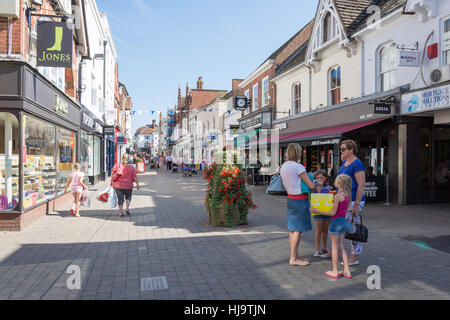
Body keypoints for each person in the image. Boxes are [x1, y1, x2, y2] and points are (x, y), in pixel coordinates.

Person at [326, 139, 366, 266]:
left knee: (353, 227)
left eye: (343, 149)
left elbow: (361, 185)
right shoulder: (345, 163)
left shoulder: (357, 164)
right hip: (344, 200)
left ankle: (354, 256)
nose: (341, 151)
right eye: (340, 149)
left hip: (353, 200)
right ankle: (336, 250)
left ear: (351, 150)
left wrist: (356, 204)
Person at [310, 174, 354, 279]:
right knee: (341, 247)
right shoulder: (347, 195)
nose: (334, 181)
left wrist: (317, 210)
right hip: (343, 222)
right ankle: (347, 270)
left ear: (340, 183)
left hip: (336, 223)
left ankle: (335, 271)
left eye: (336, 180)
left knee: (334, 248)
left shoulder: (338, 196)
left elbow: (332, 213)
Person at [280, 143, 317, 266]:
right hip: (300, 199)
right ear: (298, 153)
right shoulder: (298, 166)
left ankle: (295, 255)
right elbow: (311, 185)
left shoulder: (284, 166)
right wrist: (316, 185)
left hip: (290, 198)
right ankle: (293, 258)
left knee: (293, 229)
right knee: (298, 230)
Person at [312, 169, 331, 257]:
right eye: (318, 177)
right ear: (315, 178)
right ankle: (316, 248)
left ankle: (324, 247)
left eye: (322, 178)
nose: (320, 179)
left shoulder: (328, 187)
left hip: (327, 211)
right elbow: (317, 196)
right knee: (319, 230)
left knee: (325, 230)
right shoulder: (314, 187)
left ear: (326, 178)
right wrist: (319, 187)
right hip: (318, 211)